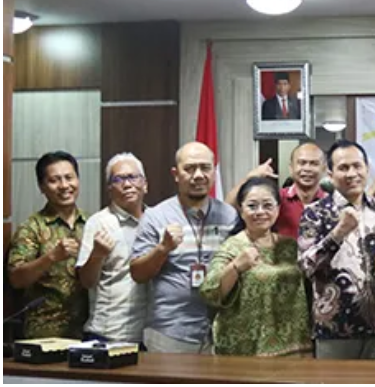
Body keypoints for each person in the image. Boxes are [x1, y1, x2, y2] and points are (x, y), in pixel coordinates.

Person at [130, 142, 239, 353]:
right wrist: (163, 248)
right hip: (170, 332)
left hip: (219, 332)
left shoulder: (229, 216)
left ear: (214, 171)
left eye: (205, 168)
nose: (198, 175)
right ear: (176, 174)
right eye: (189, 169)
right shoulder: (156, 217)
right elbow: (137, 274)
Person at [297, 140, 375, 359]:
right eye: (343, 168)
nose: (352, 173)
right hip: (333, 329)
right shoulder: (315, 213)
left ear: (367, 168)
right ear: (330, 173)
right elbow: (305, 267)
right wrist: (338, 233)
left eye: (357, 166)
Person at [202, 177, 311, 357]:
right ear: (241, 210)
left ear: (278, 209)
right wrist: (235, 267)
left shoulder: (291, 246)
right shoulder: (233, 247)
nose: (260, 212)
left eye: (267, 205)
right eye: (252, 206)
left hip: (294, 347)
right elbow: (210, 291)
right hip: (246, 350)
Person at [7, 151, 88, 339]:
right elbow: (16, 279)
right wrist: (51, 257)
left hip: (87, 332)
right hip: (45, 333)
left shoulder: (92, 223)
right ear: (42, 187)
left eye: (69, 177)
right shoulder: (31, 228)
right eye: (54, 180)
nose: (64, 185)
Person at [76, 153, 149, 344]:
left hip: (150, 335)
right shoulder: (98, 223)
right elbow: (86, 281)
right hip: (108, 333)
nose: (127, 184)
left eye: (133, 177)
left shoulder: (157, 221)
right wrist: (97, 255)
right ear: (109, 189)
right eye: (118, 179)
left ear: (145, 184)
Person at [225, 141, 328, 239]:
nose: (307, 168)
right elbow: (228, 207)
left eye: (314, 163)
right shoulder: (276, 198)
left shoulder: (331, 203)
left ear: (324, 169)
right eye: (302, 163)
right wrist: (250, 177)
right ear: (291, 168)